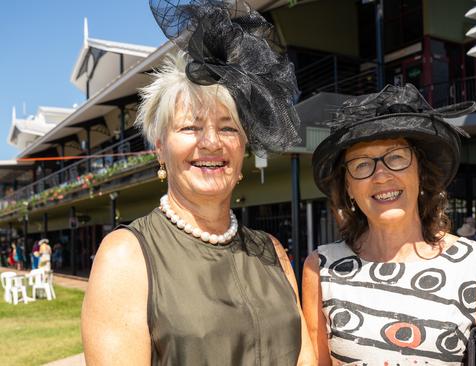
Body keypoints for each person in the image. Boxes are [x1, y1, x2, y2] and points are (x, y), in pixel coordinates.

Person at [81, 1, 314, 364]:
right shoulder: (125, 256)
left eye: (227, 127)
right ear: (160, 148)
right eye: (190, 127)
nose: (211, 142)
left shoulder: (272, 251)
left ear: (244, 148)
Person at [302, 84, 476, 365]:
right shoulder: (321, 268)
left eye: (396, 157)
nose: (381, 175)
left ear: (420, 170)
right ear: (348, 186)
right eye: (361, 164)